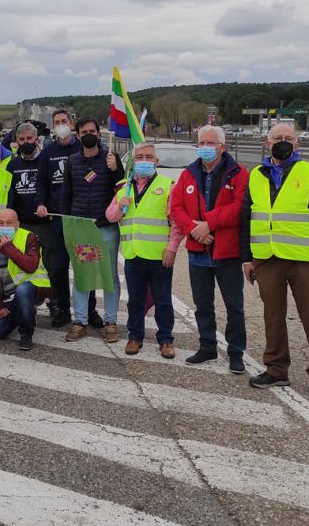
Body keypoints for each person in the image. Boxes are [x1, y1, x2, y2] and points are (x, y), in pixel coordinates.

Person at [241, 123, 309, 403]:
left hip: (303, 262)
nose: (282, 142)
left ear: (297, 144)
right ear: (266, 143)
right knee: (272, 317)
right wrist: (247, 258)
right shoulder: (256, 176)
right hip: (267, 258)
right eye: (277, 138)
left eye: (288, 139)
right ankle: (276, 369)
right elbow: (246, 219)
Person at [169, 125, 250, 372]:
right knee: (202, 304)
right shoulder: (188, 174)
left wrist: (209, 224)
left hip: (226, 252)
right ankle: (207, 346)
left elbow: (240, 208)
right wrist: (194, 229)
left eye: (210, 143)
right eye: (201, 142)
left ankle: (236, 352)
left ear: (222, 147)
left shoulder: (239, 174)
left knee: (234, 306)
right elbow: (176, 207)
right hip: (198, 252)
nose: (205, 147)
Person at [107, 142, 182, 358]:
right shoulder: (124, 187)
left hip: (160, 255)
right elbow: (110, 216)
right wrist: (119, 205)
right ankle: (135, 336)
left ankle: (166, 339)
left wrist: (172, 249)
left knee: (163, 299)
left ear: (156, 162)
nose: (144, 161)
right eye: (140, 157)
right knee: (135, 300)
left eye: (149, 157)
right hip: (133, 254)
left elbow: (176, 223)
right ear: (133, 161)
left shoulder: (168, 185)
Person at [61, 116, 125, 342]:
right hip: (81, 228)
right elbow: (66, 195)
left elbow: (122, 190)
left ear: (99, 133)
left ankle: (110, 322)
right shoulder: (72, 161)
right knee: (82, 275)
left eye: (92, 130)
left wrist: (116, 170)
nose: (88, 134)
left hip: (105, 228)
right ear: (78, 135)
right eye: (84, 131)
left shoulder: (111, 158)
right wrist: (67, 224)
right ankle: (80, 322)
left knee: (109, 277)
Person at [35, 108, 81, 327]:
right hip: (57, 219)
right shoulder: (48, 151)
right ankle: (62, 309)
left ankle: (87, 312)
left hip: (80, 219)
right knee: (58, 267)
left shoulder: (83, 147)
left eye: (64, 121)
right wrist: (41, 203)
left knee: (83, 266)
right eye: (57, 122)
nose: (61, 124)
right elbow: (41, 182)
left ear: (72, 124)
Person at [0, 208, 50, 351]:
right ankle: (23, 314)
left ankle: (26, 333)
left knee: (23, 289)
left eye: (9, 223)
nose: (5, 227)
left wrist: (9, 248)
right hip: (7, 298)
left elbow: (31, 266)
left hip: (30, 290)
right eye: (1, 223)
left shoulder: (29, 237)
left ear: (17, 225)